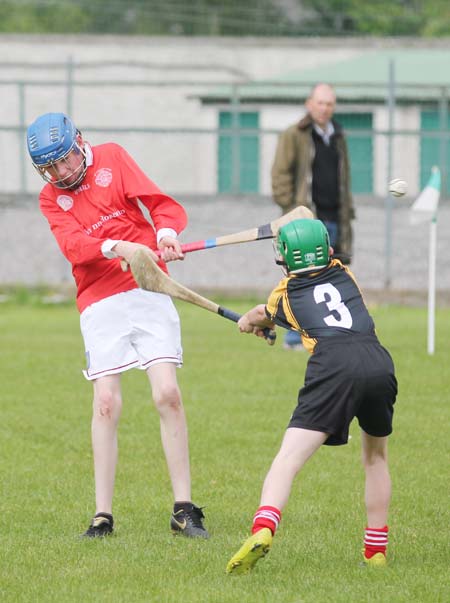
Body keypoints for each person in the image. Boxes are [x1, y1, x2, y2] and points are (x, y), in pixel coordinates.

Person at [26, 112, 208, 539]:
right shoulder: (50, 197)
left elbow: (160, 204)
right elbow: (74, 246)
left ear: (79, 143)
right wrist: (114, 245)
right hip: (98, 297)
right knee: (106, 402)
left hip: (147, 284)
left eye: (65, 160)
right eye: (50, 167)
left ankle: (184, 509)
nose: (61, 172)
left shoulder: (113, 157)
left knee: (168, 394)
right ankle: (102, 516)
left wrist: (163, 235)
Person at [226, 219, 397, 574]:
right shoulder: (345, 274)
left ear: (286, 259)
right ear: (328, 251)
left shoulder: (284, 293)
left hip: (333, 364)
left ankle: (262, 530)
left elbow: (264, 315)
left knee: (288, 458)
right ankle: (376, 551)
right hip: (378, 360)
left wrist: (247, 321)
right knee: (376, 458)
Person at [271, 82, 355, 350]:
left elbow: (344, 178)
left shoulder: (338, 136)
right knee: (302, 277)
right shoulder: (294, 135)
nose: (324, 108)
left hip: (334, 218)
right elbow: (280, 175)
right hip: (306, 221)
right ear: (309, 104)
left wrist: (347, 212)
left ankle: (331, 334)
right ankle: (294, 337)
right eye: (320, 103)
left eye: (329, 104)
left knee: (334, 276)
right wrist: (290, 209)